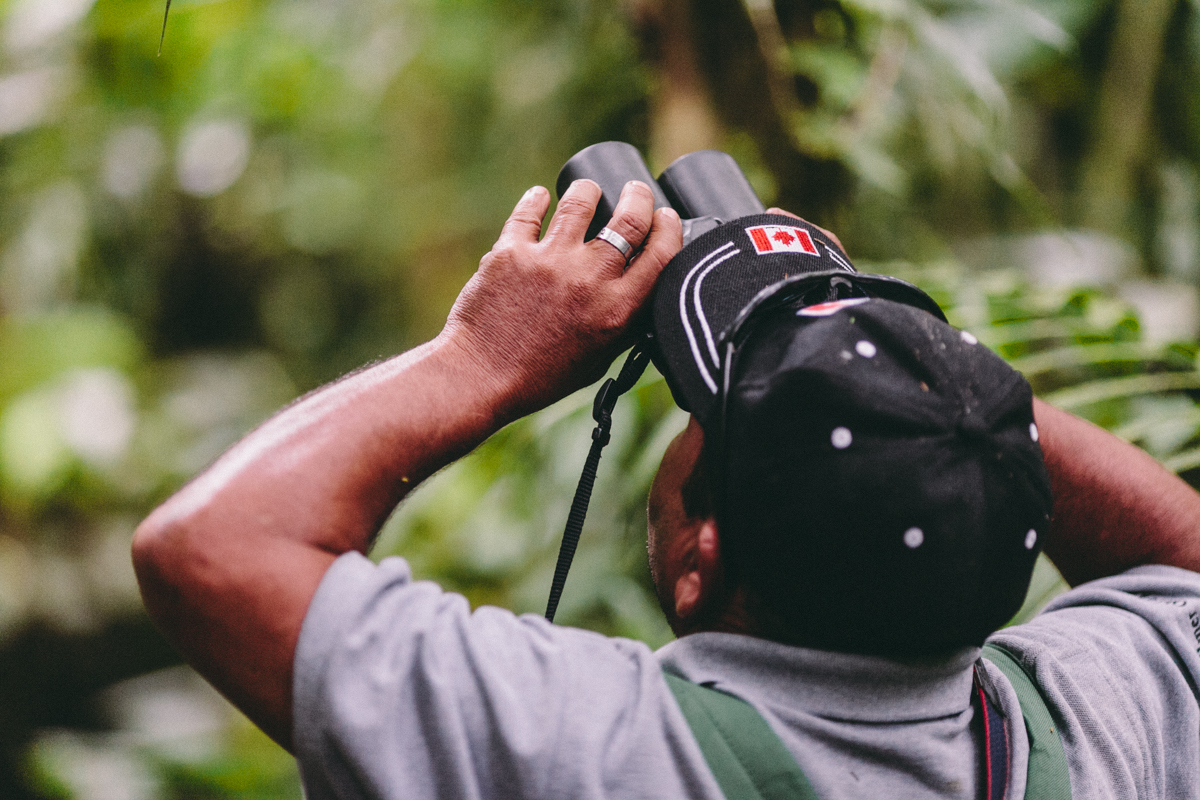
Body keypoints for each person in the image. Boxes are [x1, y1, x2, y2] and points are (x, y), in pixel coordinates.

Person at [132, 178, 1200, 799]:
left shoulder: (608, 750)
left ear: (701, 560)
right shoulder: (1110, 714)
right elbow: (1180, 559)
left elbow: (212, 546)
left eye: (707, 422)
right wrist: (926, 382)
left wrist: (481, 354)